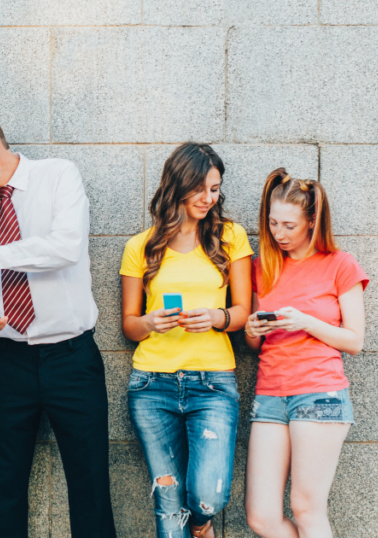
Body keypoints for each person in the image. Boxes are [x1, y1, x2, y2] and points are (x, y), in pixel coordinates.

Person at [0, 107, 116, 538]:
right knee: (3, 489)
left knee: (90, 486)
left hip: (72, 360)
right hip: (6, 362)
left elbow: (64, 248)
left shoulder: (58, 176)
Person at [119, 144, 252, 538]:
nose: (208, 198)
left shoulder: (231, 237)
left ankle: (202, 523)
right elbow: (129, 324)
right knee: (168, 501)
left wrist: (217, 317)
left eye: (215, 189)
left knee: (207, 495)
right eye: (200, 188)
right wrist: (150, 322)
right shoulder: (139, 246)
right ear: (176, 185)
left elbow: (244, 310)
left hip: (213, 384)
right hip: (151, 384)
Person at [243, 168, 368, 538]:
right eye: (272, 223)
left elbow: (355, 341)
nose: (278, 234)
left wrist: (306, 322)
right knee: (261, 517)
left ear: (312, 221)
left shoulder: (340, 264)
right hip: (269, 395)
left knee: (306, 507)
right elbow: (254, 344)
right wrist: (252, 330)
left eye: (289, 226)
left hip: (319, 394)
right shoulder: (262, 266)